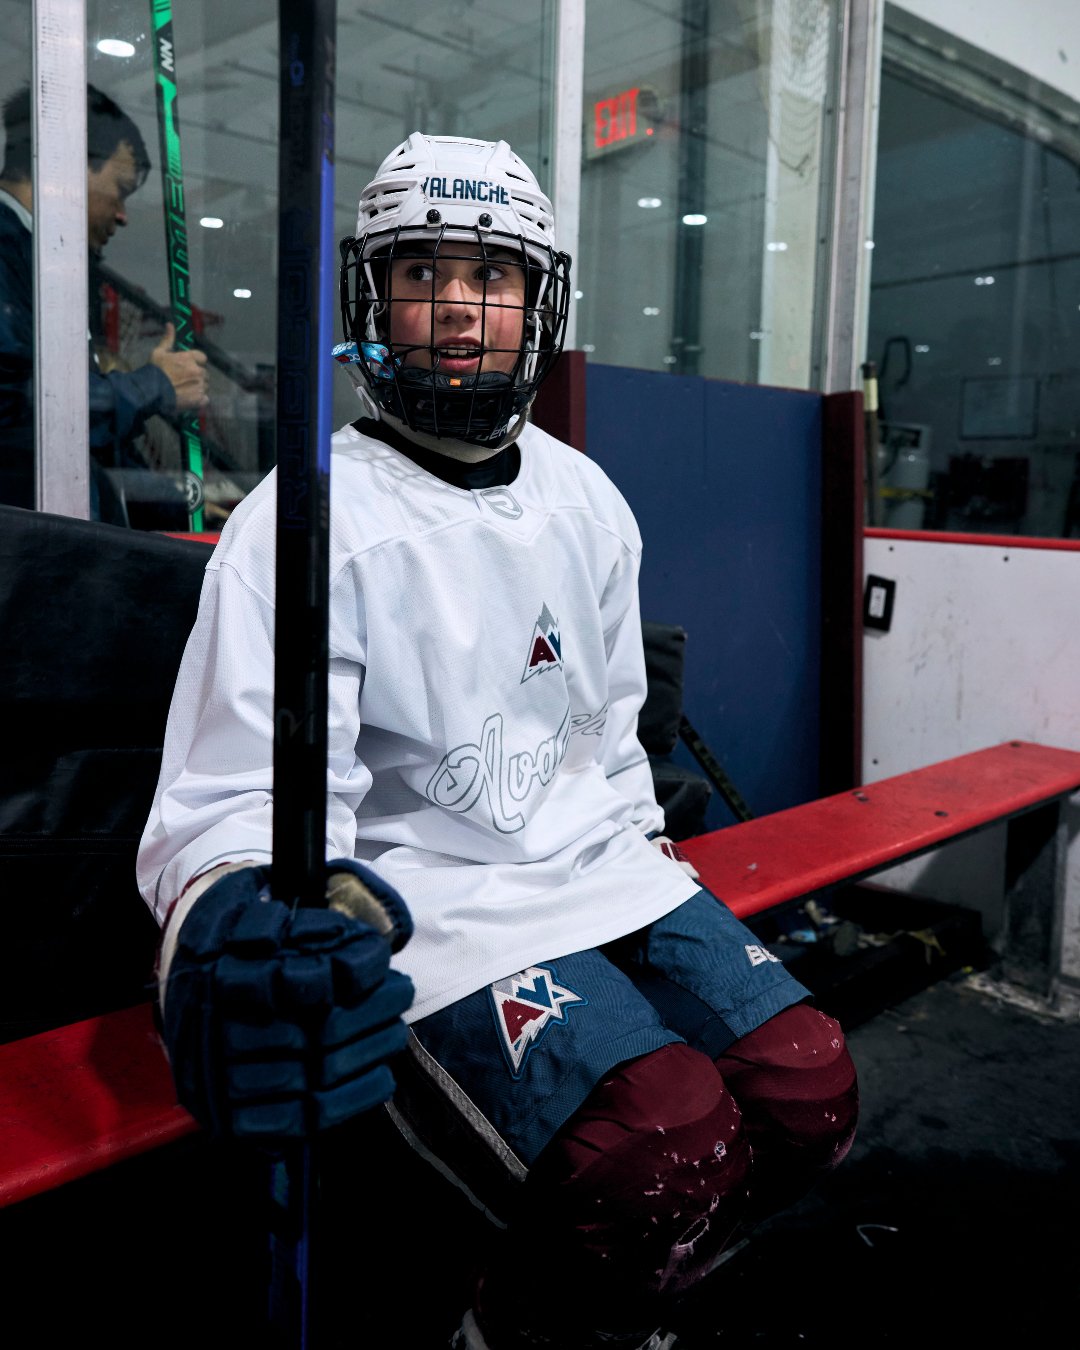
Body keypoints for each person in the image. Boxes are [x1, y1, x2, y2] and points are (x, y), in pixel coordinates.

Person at [137, 132, 858, 1350]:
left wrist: (649, 863)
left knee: (807, 1090)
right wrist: (234, 908)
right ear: (377, 296)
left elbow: (610, 737)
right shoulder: (307, 516)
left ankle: (623, 1281)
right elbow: (239, 798)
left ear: (538, 300)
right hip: (444, 908)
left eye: (494, 276)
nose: (459, 309)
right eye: (422, 273)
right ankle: (517, 1320)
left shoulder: (587, 500)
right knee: (658, 1148)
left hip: (600, 875)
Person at [0, 83, 209, 523]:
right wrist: (154, 386)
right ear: (62, 166)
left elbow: (86, 456)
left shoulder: (41, 266)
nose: (123, 215)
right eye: (121, 189)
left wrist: (179, 505)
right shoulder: (8, 257)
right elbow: (25, 417)